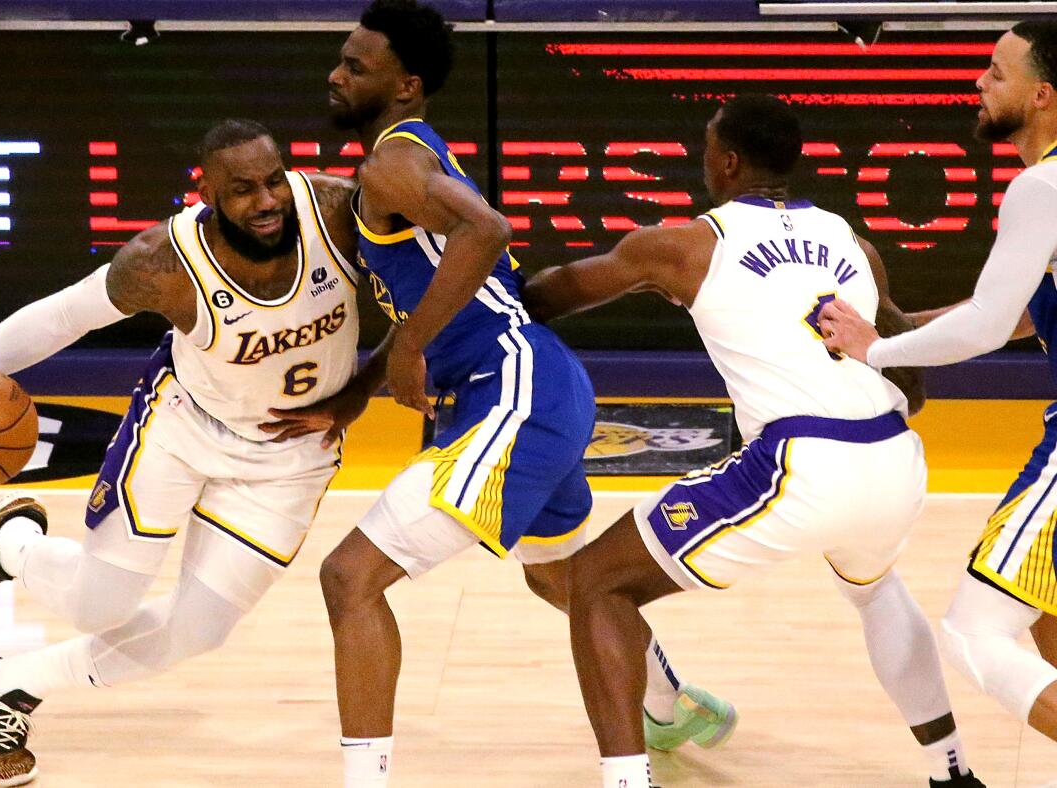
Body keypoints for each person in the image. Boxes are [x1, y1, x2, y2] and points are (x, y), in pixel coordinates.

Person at [280, 1, 731, 784]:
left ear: (405, 85)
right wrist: (365, 381)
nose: (335, 72)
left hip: (513, 387)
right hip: (527, 387)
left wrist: (410, 348)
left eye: (355, 63)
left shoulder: (391, 161)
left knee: (349, 578)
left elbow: (487, 232)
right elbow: (445, 287)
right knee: (563, 576)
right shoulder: (406, 158)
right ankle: (670, 704)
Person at [523, 94, 986, 788]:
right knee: (876, 590)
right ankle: (950, 772)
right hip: (895, 456)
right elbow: (905, 367)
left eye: (708, 146)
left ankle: (627, 780)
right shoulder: (851, 240)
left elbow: (549, 295)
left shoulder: (686, 243)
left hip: (802, 463)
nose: (702, 157)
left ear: (728, 161)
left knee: (595, 583)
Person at [0, 119, 369, 786]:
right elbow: (65, 315)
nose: (267, 201)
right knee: (101, 605)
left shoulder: (336, 212)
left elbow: (426, 294)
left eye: (273, 181)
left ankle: (7, 686)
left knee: (200, 629)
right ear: (205, 193)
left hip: (290, 458)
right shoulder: (163, 263)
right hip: (183, 430)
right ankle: (8, 548)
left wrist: (367, 389)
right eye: (242, 190)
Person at [820, 20, 1057, 743]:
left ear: (1042, 95)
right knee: (1044, 611)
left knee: (976, 631)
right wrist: (900, 328)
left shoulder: (1042, 185)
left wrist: (872, 352)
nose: (979, 84)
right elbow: (1020, 308)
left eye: (995, 72)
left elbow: (988, 323)